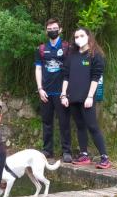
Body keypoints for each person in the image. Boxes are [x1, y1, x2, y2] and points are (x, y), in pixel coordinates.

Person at [61, 27, 111, 169]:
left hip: (87, 98)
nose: (78, 39)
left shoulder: (96, 55)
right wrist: (63, 94)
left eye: (81, 35)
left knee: (92, 126)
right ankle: (84, 154)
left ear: (88, 36)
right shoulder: (71, 55)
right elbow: (66, 76)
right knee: (80, 126)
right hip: (72, 97)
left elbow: (96, 77)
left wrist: (90, 96)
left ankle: (104, 157)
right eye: (76, 37)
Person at [35, 18, 72, 163]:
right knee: (47, 122)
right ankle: (47, 150)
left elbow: (69, 70)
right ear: (46, 31)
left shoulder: (67, 47)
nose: (52, 31)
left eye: (55, 28)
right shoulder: (41, 49)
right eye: (49, 29)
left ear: (60, 29)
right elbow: (38, 68)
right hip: (46, 92)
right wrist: (40, 89)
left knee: (64, 122)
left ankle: (66, 151)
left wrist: (65, 92)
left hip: (61, 92)